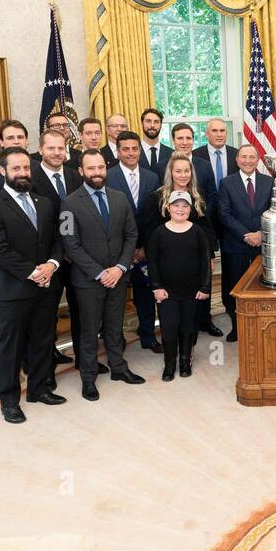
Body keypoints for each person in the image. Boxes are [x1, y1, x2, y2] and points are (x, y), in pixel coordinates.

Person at [0, 148, 66, 423]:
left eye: (26, 168)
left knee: (43, 340)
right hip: (14, 290)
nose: (22, 173)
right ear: (3, 171)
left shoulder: (44, 202)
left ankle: (39, 389)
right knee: (11, 348)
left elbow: (57, 239)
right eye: (16, 169)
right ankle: (9, 401)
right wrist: (32, 272)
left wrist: (52, 265)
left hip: (47, 286)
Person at [60, 149, 144, 400]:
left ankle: (118, 367)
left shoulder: (120, 198)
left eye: (101, 167)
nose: (97, 173)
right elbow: (69, 243)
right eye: (91, 168)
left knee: (115, 326)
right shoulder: (68, 203)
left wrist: (119, 268)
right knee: (88, 331)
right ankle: (88, 378)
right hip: (88, 281)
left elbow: (131, 235)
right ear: (81, 171)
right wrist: (99, 273)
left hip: (118, 276)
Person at [32, 128, 89, 373]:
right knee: (46, 316)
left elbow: (84, 215)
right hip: (47, 259)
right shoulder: (30, 177)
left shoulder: (75, 176)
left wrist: (74, 249)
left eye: (60, 148)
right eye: (51, 148)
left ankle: (83, 358)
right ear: (41, 149)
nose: (57, 153)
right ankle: (46, 367)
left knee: (81, 311)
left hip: (77, 258)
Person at [104, 130, 163, 353]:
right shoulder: (108, 176)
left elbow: (155, 215)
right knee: (115, 299)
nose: (130, 153)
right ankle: (115, 340)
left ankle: (148, 336)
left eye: (134, 148)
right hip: (118, 251)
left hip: (146, 249)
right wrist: (127, 251)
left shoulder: (151, 177)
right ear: (117, 152)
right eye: (125, 149)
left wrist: (144, 247)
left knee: (146, 294)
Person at [146, 191, 213, 381]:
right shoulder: (159, 233)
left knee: (187, 327)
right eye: (176, 205)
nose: (180, 209)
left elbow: (204, 262)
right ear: (168, 208)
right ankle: (169, 364)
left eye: (185, 206)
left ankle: (185, 361)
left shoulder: (197, 232)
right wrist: (157, 287)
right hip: (167, 292)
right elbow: (152, 262)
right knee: (169, 327)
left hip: (192, 291)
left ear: (190, 210)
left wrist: (205, 287)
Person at [159, 146, 219, 336]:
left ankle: (203, 323)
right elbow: (152, 231)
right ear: (171, 172)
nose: (183, 175)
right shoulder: (160, 197)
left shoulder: (197, 195)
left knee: (201, 292)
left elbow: (207, 228)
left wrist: (210, 255)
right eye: (178, 171)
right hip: (170, 259)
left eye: (187, 171)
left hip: (197, 256)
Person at [217, 144, 274, 341]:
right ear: (237, 159)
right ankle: (237, 327)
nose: (248, 160)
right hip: (235, 244)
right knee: (236, 287)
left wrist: (260, 233)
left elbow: (274, 212)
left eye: (252, 157)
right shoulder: (226, 183)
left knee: (263, 286)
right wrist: (246, 235)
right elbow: (224, 214)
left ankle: (263, 325)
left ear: (258, 160)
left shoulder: (269, 181)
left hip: (263, 244)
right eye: (244, 156)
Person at [192, 117, 239, 197]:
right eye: (214, 131)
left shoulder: (237, 154)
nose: (219, 135)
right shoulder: (195, 155)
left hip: (231, 204)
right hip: (205, 204)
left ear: (226, 133)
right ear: (207, 134)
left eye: (222, 131)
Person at [139, 107, 174, 177]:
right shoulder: (132, 152)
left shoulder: (172, 154)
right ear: (142, 123)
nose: (152, 125)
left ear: (161, 125)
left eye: (156, 122)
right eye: (148, 121)